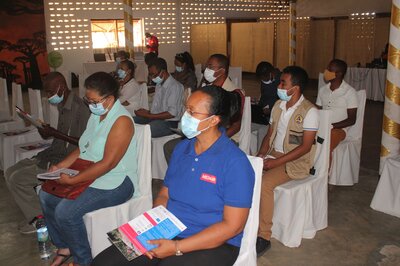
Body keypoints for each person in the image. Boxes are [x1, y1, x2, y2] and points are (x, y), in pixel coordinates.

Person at [92, 85, 255, 266]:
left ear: (213, 120)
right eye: (186, 109)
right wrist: (157, 223)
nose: (185, 116)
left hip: (214, 242)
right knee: (104, 262)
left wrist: (177, 246)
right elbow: (164, 194)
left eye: (192, 112)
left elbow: (233, 226)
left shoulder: (235, 162)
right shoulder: (182, 149)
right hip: (171, 228)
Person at [39, 72, 139, 266]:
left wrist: (73, 180)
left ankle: (83, 260)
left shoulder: (122, 121)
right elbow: (82, 147)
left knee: (65, 213)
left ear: (109, 99)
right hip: (90, 172)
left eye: (94, 101)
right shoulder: (98, 115)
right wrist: (60, 167)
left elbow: (108, 164)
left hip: (116, 181)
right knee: (46, 196)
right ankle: (65, 245)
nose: (90, 104)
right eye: (88, 100)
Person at [4, 72, 90, 234]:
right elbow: (60, 136)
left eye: (50, 92)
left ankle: (39, 219)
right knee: (10, 171)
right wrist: (46, 131)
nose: (48, 96)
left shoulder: (80, 109)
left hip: (65, 160)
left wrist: (56, 134)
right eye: (47, 92)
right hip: (52, 153)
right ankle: (39, 213)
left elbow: (85, 144)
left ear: (62, 87)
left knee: (17, 179)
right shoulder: (62, 104)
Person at [256, 66, 319, 256]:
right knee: (246, 172)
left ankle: (264, 236)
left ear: (296, 88)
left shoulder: (310, 112)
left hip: (295, 161)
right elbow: (269, 134)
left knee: (265, 184)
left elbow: (305, 147)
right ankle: (247, 222)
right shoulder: (278, 106)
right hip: (275, 154)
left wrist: (275, 163)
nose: (279, 85)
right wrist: (261, 155)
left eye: (284, 83)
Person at [163, 54, 244, 163]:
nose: (207, 70)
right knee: (170, 147)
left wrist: (214, 141)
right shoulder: (208, 89)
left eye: (210, 67)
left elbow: (236, 126)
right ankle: (182, 176)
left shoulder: (233, 93)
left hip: (225, 137)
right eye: (207, 66)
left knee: (194, 153)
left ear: (221, 71)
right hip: (202, 134)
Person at [316, 59, 358, 167]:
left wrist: (331, 126)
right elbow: (317, 110)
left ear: (339, 73)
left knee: (325, 145)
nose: (326, 71)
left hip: (339, 129)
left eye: (330, 69)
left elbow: (352, 119)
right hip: (322, 126)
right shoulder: (322, 90)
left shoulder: (349, 92)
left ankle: (323, 177)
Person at [134, 57, 184, 137]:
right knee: (131, 121)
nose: (152, 78)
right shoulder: (159, 84)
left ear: (163, 72)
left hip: (170, 123)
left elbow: (172, 113)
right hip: (156, 118)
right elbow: (157, 109)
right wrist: (146, 112)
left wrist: (149, 115)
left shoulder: (174, 86)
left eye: (154, 75)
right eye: (150, 75)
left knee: (145, 131)